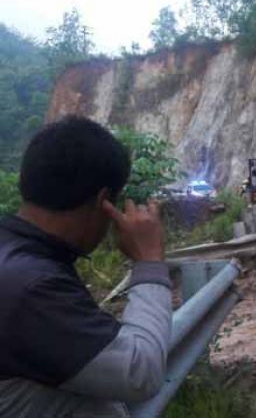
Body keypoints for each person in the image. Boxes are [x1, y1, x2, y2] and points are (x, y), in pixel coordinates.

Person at [0, 116, 172, 417]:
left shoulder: (15, 256)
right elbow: (139, 371)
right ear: (103, 201)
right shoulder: (32, 286)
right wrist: (149, 263)